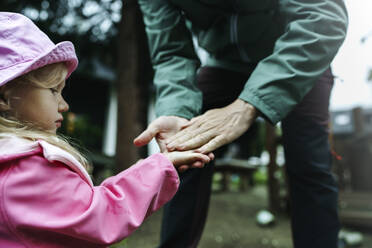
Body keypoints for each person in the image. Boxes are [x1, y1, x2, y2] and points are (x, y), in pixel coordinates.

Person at [134, 1, 348, 248]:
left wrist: (246, 106)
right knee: (184, 151)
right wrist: (176, 110)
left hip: (299, 53)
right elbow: (170, 52)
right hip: (224, 63)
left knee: (310, 163)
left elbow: (324, 17)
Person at [0, 12, 213, 248]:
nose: (64, 105)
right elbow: (98, 215)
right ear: (5, 97)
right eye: (53, 90)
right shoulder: (24, 170)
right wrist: (161, 166)